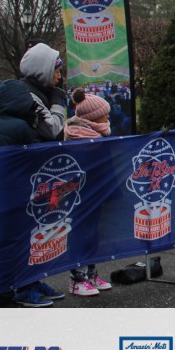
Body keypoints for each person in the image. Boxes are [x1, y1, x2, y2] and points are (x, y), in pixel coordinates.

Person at [0, 79, 66, 307]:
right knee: (17, 244)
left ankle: (12, 291)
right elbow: (36, 155)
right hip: (15, 193)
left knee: (1, 245)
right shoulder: (20, 127)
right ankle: (17, 292)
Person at [62, 88, 113, 297]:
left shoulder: (98, 134)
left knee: (94, 233)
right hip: (81, 194)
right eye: (104, 113)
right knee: (81, 232)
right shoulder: (80, 137)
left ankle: (91, 273)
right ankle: (77, 278)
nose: (107, 117)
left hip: (96, 191)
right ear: (93, 116)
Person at [19, 42, 67, 142]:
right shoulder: (29, 96)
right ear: (45, 72)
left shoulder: (37, 90)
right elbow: (52, 130)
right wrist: (57, 104)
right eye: (57, 72)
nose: (59, 76)